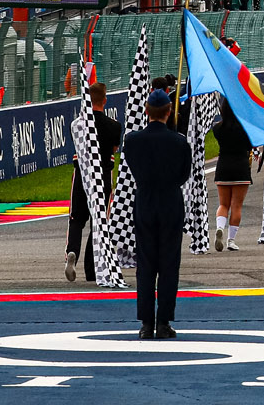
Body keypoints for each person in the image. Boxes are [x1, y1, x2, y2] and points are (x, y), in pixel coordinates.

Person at [123, 87, 191, 340]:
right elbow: (184, 174)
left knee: (146, 264)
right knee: (169, 264)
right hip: (171, 202)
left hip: (145, 202)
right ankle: (163, 322)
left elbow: (132, 167)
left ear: (146, 111)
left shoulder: (132, 140)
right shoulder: (180, 141)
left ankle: (146, 324)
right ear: (169, 111)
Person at [65, 82, 123, 282]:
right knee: (98, 223)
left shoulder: (77, 125)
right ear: (105, 101)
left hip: (81, 176)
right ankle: (91, 270)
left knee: (76, 219)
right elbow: (114, 149)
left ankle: (72, 251)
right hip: (103, 177)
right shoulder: (114, 126)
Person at [212, 109, 253, 251]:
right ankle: (231, 240)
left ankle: (219, 227)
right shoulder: (244, 128)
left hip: (223, 166)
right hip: (241, 167)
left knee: (223, 204)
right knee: (237, 205)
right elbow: (250, 145)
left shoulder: (217, 128)